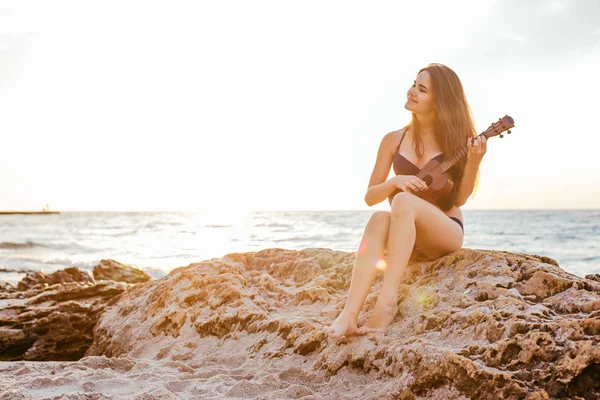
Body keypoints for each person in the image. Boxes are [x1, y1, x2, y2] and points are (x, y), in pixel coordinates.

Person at [325, 63, 487, 338]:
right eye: (414, 84)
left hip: (443, 231)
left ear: (439, 101)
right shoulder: (393, 140)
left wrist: (474, 161)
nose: (411, 91)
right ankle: (349, 315)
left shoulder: (455, 141)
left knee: (402, 202)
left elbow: (458, 199)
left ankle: (386, 303)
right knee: (378, 218)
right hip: (407, 239)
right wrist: (393, 182)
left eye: (421, 90)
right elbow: (370, 197)